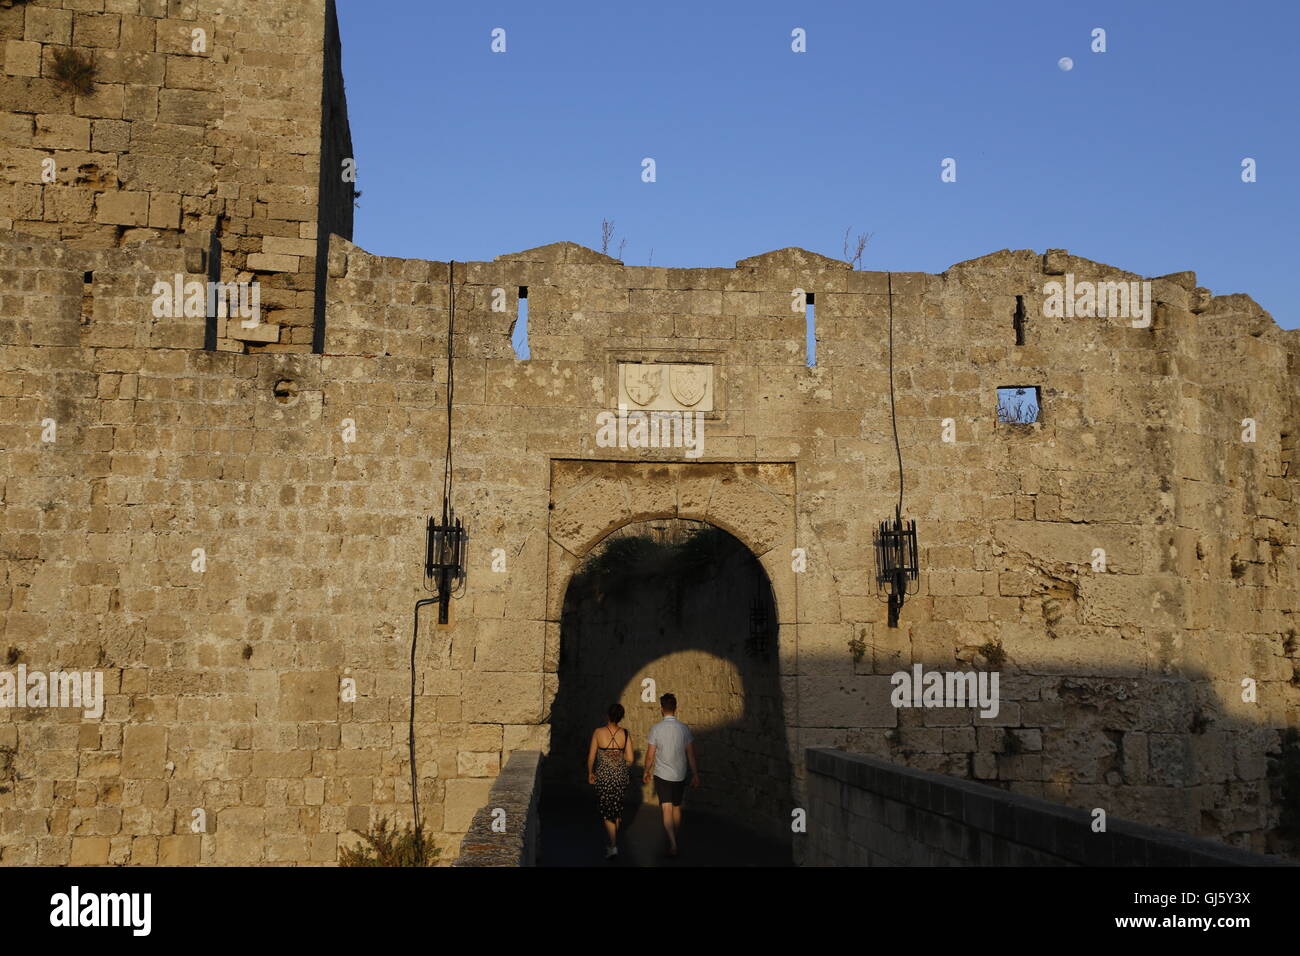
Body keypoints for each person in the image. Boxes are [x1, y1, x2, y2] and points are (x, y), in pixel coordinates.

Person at [643, 692, 700, 857]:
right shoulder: (684, 729)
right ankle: (674, 836)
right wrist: (695, 774)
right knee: (676, 807)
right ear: (675, 708)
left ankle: (672, 842)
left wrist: (646, 771)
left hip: (662, 775)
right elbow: (691, 754)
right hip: (680, 774)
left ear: (661, 709)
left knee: (666, 808)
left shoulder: (656, 729)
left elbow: (649, 755)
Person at [587, 702, 634, 859]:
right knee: (616, 809)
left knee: (608, 812)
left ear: (608, 715)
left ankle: (613, 845)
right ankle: (613, 843)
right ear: (621, 717)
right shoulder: (625, 733)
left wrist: (590, 773)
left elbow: (592, 756)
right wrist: (618, 760)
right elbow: (630, 759)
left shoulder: (598, 732)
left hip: (604, 776)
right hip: (620, 776)